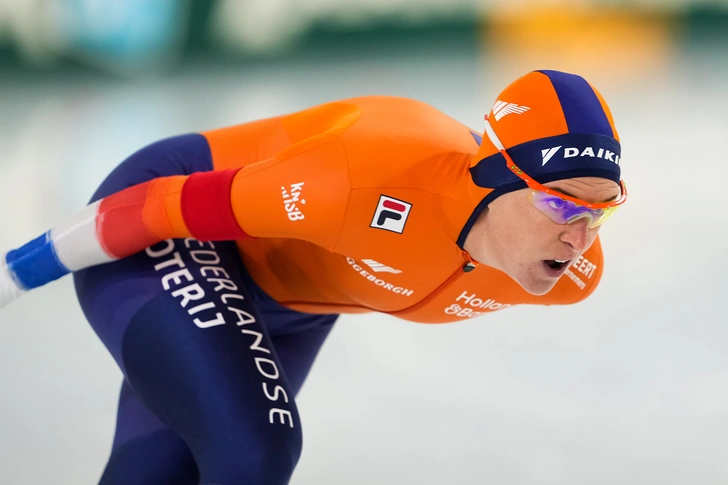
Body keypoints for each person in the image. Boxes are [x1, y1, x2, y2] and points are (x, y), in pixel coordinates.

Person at [0, 69, 626, 485]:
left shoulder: (573, 274)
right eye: (561, 204)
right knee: (255, 452)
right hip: (177, 231)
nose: (579, 238)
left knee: (156, 473)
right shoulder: (363, 180)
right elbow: (156, 206)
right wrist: (13, 276)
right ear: (496, 177)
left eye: (600, 212)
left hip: (292, 308)